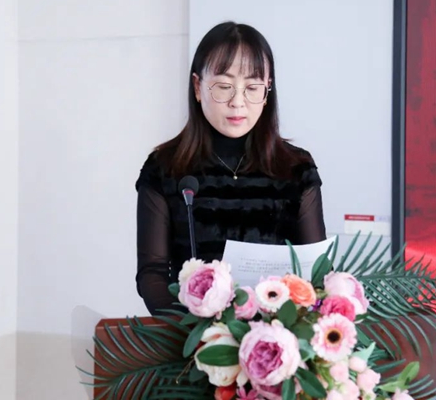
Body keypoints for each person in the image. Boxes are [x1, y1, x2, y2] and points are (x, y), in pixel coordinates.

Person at [135, 21, 327, 314]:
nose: (238, 102)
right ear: (198, 87)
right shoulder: (165, 168)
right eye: (224, 87)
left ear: (267, 90)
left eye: (252, 88)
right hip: (192, 336)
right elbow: (153, 274)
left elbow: (316, 273)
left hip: (277, 333)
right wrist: (196, 331)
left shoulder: (296, 169)